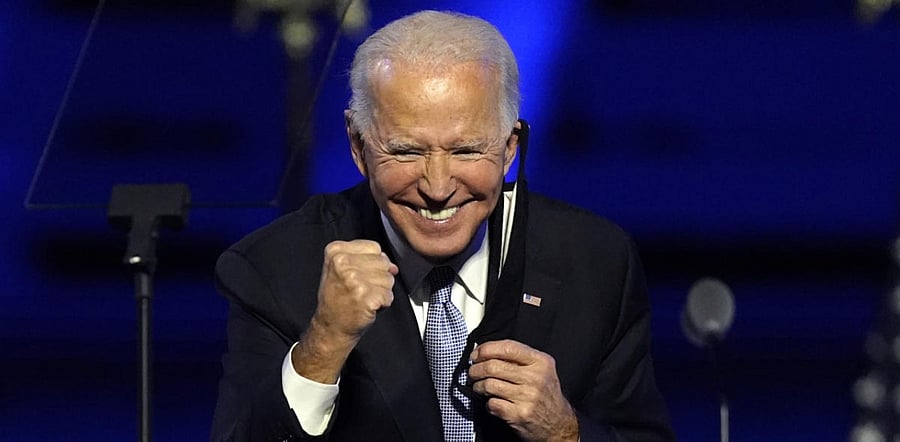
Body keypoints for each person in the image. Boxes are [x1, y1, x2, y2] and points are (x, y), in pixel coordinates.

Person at [211, 10, 674, 442]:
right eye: (407, 151)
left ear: (509, 147)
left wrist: (563, 431)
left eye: (466, 151)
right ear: (358, 145)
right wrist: (323, 344)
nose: (437, 187)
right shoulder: (272, 267)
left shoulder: (596, 261)